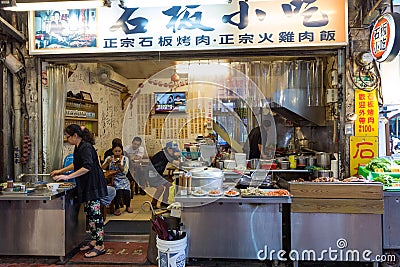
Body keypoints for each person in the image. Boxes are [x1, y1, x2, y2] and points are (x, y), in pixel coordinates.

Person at [50, 124, 107, 258]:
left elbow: (87, 167)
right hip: (86, 185)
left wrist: (67, 176)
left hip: (93, 185)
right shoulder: (78, 146)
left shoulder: (86, 147)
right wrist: (61, 171)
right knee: (90, 214)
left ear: (75, 136)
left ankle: (100, 245)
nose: (67, 139)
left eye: (68, 137)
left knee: (96, 215)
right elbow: (77, 164)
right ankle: (94, 240)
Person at [102, 143, 132, 215]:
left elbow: (125, 172)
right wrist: (107, 163)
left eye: (119, 151)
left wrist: (119, 165)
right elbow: (102, 168)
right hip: (114, 178)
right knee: (118, 190)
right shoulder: (109, 158)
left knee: (127, 190)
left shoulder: (125, 159)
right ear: (112, 151)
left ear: (122, 151)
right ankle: (117, 207)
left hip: (123, 178)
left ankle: (128, 206)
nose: (117, 153)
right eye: (116, 151)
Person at [149, 141, 180, 209]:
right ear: (169, 149)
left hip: (158, 175)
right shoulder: (163, 154)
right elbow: (175, 162)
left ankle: (164, 202)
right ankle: (153, 204)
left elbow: (175, 158)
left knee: (169, 185)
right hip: (151, 175)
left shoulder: (167, 153)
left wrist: (179, 156)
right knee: (160, 188)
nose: (174, 152)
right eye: (173, 151)